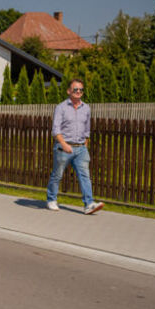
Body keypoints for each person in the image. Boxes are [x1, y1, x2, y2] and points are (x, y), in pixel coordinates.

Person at [46, 78, 104, 215]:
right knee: (57, 175)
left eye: (81, 90)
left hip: (81, 148)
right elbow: (55, 130)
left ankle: (89, 204)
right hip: (63, 147)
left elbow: (87, 128)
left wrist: (85, 144)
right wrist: (64, 144)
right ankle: (51, 199)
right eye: (75, 89)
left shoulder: (86, 108)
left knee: (85, 176)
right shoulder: (61, 107)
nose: (78, 92)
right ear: (69, 91)